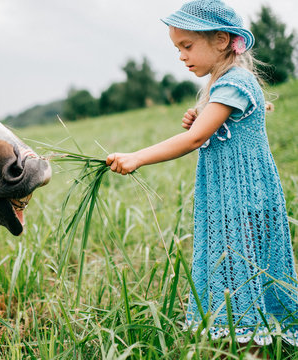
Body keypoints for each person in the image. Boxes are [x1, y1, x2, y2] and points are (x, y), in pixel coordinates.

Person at [106, 0, 298, 346]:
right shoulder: (223, 84)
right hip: (231, 196)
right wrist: (203, 114)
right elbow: (218, 127)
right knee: (236, 266)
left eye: (187, 46)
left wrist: (137, 157)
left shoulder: (234, 82)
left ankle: (250, 344)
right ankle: (244, 338)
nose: (181, 56)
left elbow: (195, 139)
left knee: (241, 266)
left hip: (243, 197)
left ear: (222, 40)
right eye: (178, 48)